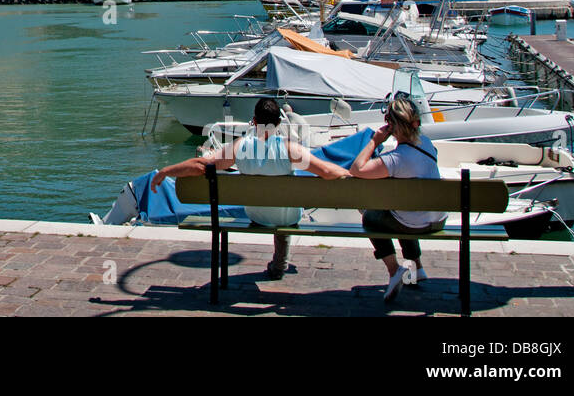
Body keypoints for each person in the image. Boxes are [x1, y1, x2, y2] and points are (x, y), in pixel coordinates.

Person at [151, 98, 350, 279]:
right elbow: (325, 171)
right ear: (279, 123)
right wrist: (351, 174)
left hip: (257, 215)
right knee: (285, 209)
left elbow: (202, 166)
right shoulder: (291, 149)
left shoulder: (239, 147)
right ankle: (280, 263)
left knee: (272, 203)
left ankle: (277, 263)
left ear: (254, 121)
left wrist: (167, 171)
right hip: (287, 217)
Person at [349, 92, 447, 302]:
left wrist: (375, 141)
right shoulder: (428, 143)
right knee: (401, 210)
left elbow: (357, 169)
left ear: (391, 126)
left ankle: (394, 270)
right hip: (438, 220)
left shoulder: (395, 160)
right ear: (415, 123)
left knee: (371, 218)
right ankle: (417, 269)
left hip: (414, 223)